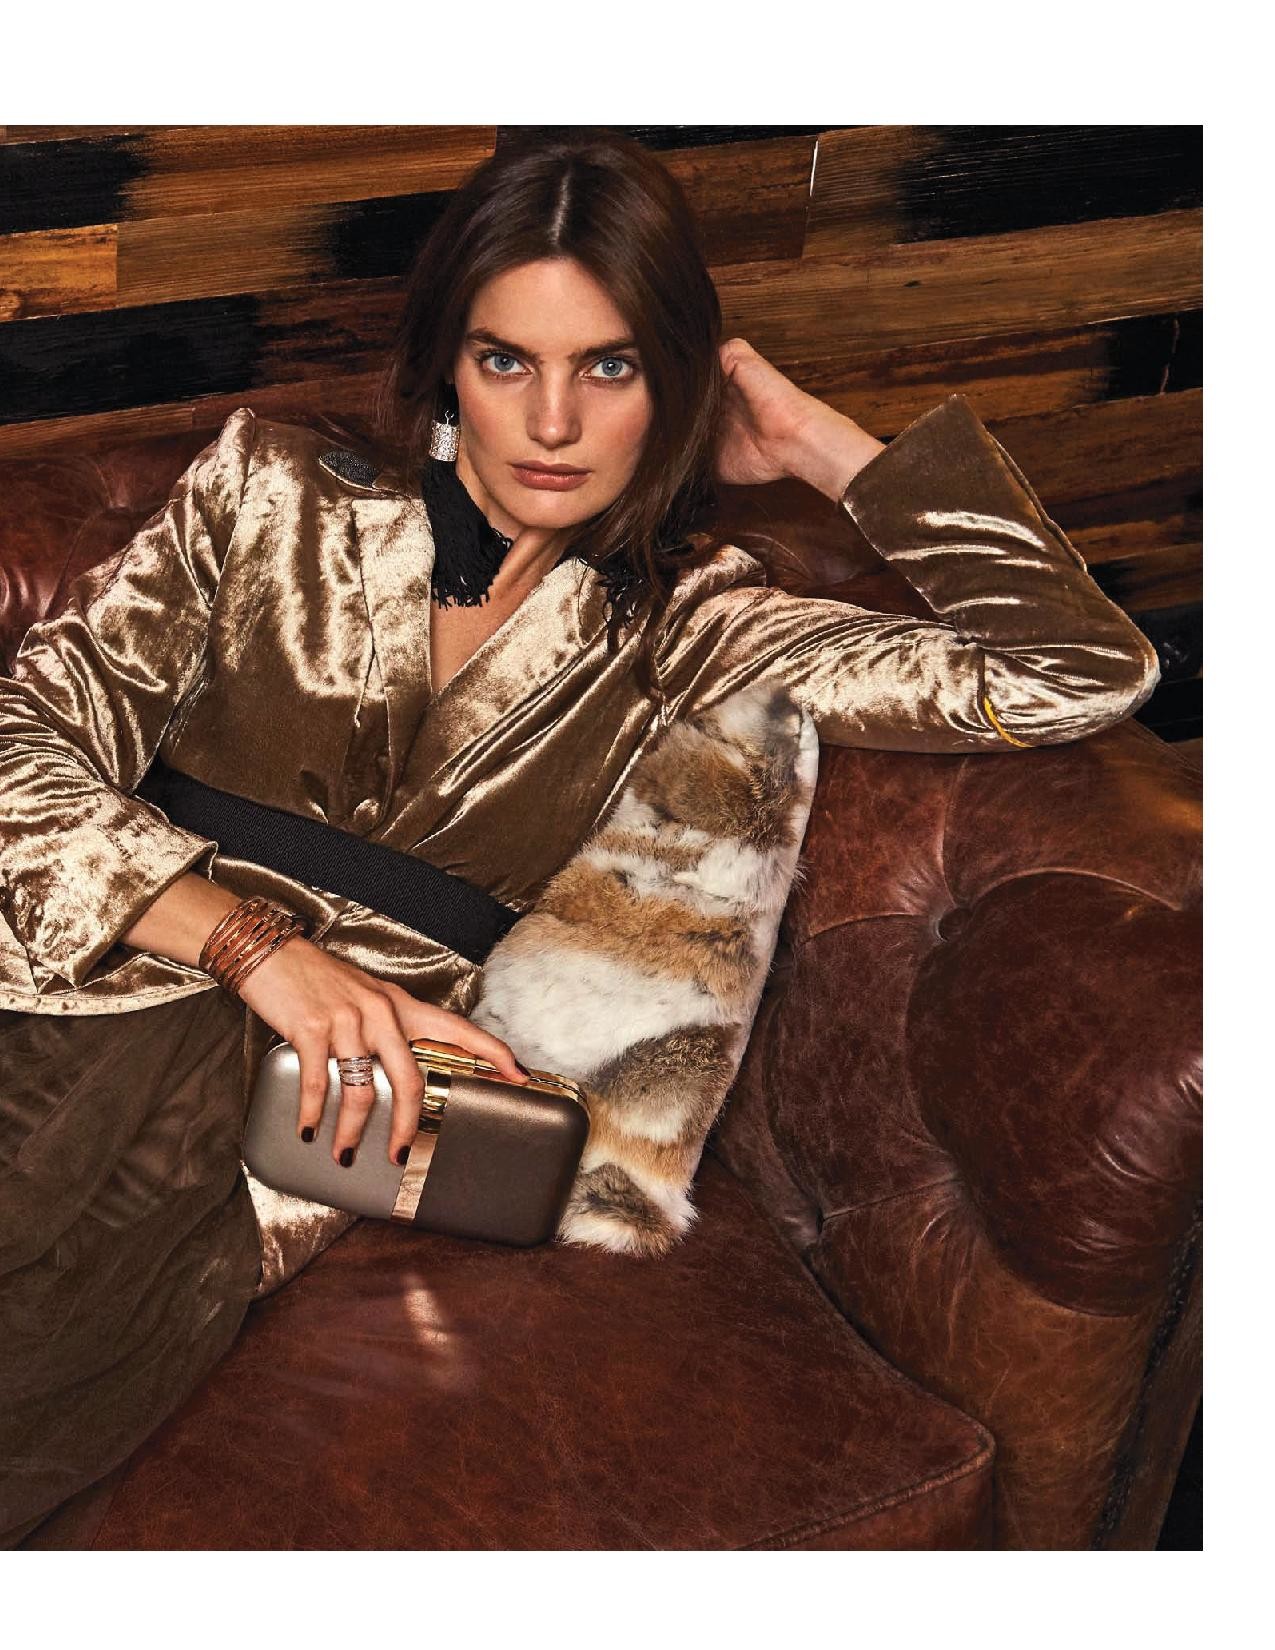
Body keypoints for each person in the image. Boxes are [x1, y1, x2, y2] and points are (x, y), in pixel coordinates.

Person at [0, 128, 1160, 1546]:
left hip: (285, 1124)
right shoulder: (270, 494)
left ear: (674, 382)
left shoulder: (695, 627)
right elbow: (21, 743)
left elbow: (1074, 671)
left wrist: (815, 442)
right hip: (63, 971)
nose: (551, 423)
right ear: (447, 371)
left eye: (609, 367)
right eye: (507, 361)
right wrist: (256, 948)